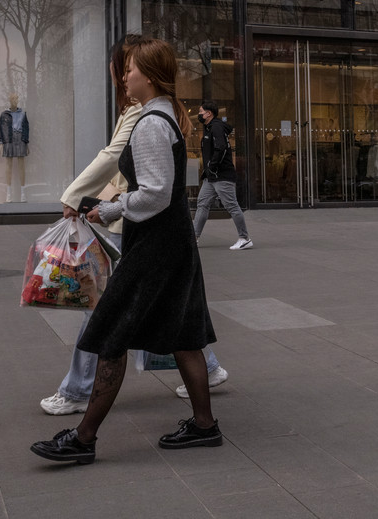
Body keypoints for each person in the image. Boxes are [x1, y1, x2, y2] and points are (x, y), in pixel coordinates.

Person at [31, 37, 222, 464]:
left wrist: (109, 208)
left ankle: (83, 438)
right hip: (173, 242)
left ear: (149, 77)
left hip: (154, 246)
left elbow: (154, 194)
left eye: (131, 69)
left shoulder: (151, 123)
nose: (125, 76)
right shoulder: (161, 116)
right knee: (185, 336)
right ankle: (205, 426)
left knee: (112, 334)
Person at [193, 99, 252, 250]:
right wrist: (209, 171)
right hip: (211, 176)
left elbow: (221, 148)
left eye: (200, 112)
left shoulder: (217, 127)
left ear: (208, 113)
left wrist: (212, 166)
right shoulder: (209, 128)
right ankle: (194, 237)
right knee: (202, 203)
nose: (199, 115)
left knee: (231, 205)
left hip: (222, 175)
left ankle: (244, 238)